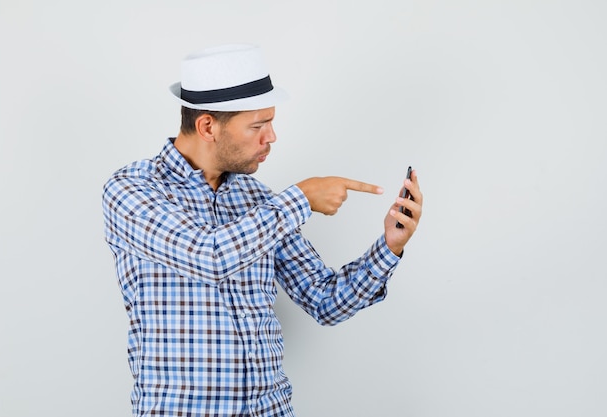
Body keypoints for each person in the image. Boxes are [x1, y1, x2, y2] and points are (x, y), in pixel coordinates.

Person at [102, 43, 423, 417]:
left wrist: (389, 247)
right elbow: (210, 256)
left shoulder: (261, 200)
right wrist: (301, 198)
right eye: (257, 125)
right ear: (207, 126)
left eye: (271, 122)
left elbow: (325, 301)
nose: (271, 137)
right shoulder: (133, 189)